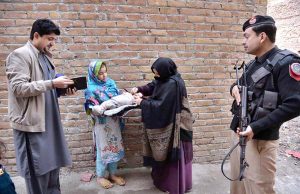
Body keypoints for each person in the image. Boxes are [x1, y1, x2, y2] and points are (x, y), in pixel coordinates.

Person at [229, 15, 300, 194]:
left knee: (259, 189)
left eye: (246, 36)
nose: (243, 41)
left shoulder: (287, 62)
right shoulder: (255, 62)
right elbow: (242, 84)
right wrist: (233, 88)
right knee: (238, 187)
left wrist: (256, 126)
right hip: (240, 134)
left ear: (262, 37)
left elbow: (295, 103)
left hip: (260, 140)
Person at [5, 19, 76, 194]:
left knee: (53, 170)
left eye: (55, 40)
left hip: (50, 123)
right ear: (36, 35)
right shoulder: (20, 55)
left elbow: (46, 88)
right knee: (37, 173)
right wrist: (52, 83)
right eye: (50, 39)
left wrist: (62, 89)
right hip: (32, 125)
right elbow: (18, 88)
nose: (52, 44)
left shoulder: (44, 56)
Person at [132, 57, 194, 194]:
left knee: (172, 154)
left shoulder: (173, 84)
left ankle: (173, 185)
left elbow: (161, 106)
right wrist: (140, 89)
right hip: (172, 122)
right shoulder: (165, 78)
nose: (156, 76)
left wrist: (141, 102)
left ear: (165, 71)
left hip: (177, 127)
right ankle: (165, 181)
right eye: (154, 73)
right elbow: (153, 85)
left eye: (157, 73)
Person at [84, 59, 126, 189]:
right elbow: (90, 108)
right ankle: (101, 176)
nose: (105, 75)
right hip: (102, 124)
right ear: (94, 74)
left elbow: (116, 98)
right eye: (101, 74)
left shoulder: (110, 83)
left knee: (115, 146)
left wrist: (122, 95)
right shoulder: (90, 89)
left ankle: (113, 174)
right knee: (103, 150)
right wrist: (98, 109)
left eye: (105, 72)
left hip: (114, 121)